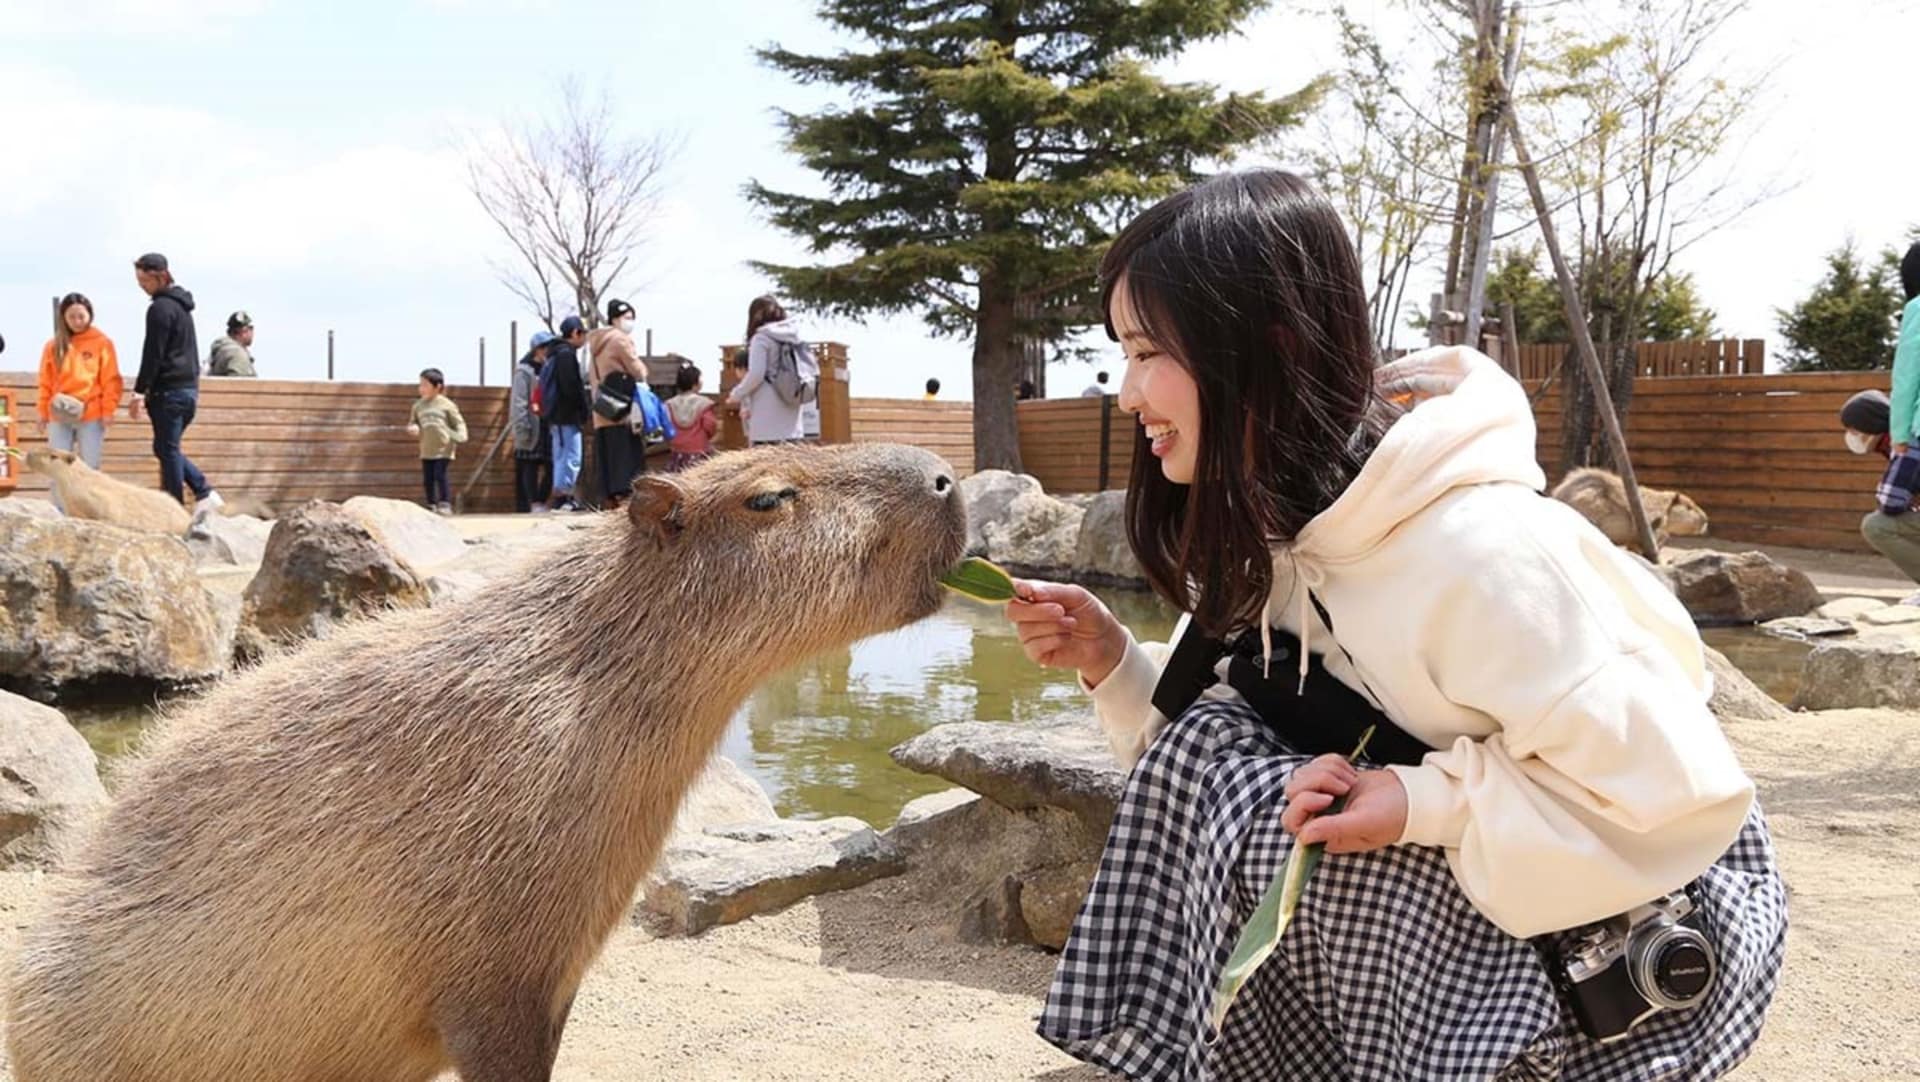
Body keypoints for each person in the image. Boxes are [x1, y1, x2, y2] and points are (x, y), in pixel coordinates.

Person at [1005, 171, 1782, 1080]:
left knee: (1332, 839)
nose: (1129, 393)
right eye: (1122, 353)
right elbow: (1187, 761)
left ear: (1268, 345)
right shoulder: (1286, 531)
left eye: (1147, 352)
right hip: (1482, 905)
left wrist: (1423, 804)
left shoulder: (1487, 553)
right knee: (1241, 767)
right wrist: (1113, 663)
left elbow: (1678, 799)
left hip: (1627, 942)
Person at [130, 252, 222, 514]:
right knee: (165, 448)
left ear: (158, 276)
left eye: (144, 280)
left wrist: (139, 391)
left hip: (168, 392)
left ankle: (177, 507)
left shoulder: (159, 309)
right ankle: (203, 492)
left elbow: (153, 353)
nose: (141, 286)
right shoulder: (182, 308)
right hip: (189, 391)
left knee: (167, 450)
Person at [1839, 388, 1920, 597]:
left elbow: (1891, 502)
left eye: (1854, 429)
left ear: (1870, 423)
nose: (1851, 436)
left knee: (1877, 526)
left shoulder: (1907, 440)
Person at [36, 293, 123, 471]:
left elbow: (110, 379)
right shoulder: (53, 346)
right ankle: (58, 501)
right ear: (63, 318)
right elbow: (45, 381)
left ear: (90, 315)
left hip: (91, 413)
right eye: (71, 317)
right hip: (59, 413)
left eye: (81, 316)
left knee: (90, 467)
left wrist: (108, 410)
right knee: (58, 467)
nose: (77, 321)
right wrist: (42, 412)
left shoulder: (102, 343)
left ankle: (89, 500)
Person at [586, 299, 649, 508]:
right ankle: (625, 500)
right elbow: (637, 369)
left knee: (607, 458)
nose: (630, 322)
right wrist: (644, 371)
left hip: (603, 409)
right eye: (627, 317)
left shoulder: (595, 344)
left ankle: (610, 499)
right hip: (622, 410)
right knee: (625, 457)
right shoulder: (620, 340)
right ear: (615, 318)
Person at [726, 296, 806, 445]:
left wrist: (736, 394)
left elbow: (756, 374)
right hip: (793, 422)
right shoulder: (794, 337)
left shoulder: (761, 338)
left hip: (767, 426)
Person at [544, 316, 591, 512]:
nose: (584, 338)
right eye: (583, 333)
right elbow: (570, 387)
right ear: (574, 333)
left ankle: (563, 494)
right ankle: (564, 497)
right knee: (570, 456)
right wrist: (582, 408)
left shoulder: (555, 353)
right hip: (566, 415)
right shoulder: (565, 355)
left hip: (558, 415)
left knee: (563, 455)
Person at [407, 368, 467, 515]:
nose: (421, 388)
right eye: (420, 384)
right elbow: (413, 422)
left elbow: (459, 423)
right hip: (427, 448)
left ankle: (445, 503)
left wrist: (460, 435)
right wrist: (413, 428)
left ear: (437, 386)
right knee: (428, 478)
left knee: (440, 474)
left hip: (444, 447)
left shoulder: (447, 405)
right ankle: (431, 504)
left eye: (425, 385)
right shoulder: (418, 406)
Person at [511, 331, 555, 513]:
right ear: (538, 350)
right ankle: (534, 502)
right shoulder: (524, 371)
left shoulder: (549, 369)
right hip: (530, 423)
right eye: (547, 348)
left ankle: (542, 500)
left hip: (548, 423)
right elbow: (519, 400)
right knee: (529, 465)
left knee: (551, 464)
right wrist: (522, 425)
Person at [664, 363, 719, 472]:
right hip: (699, 450)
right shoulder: (704, 404)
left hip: (677, 451)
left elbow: (666, 426)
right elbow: (710, 425)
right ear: (695, 384)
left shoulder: (669, 404)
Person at [206, 311, 257, 377]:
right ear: (243, 331)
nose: (252, 332)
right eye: (250, 328)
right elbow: (239, 385)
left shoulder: (223, 350)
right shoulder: (237, 354)